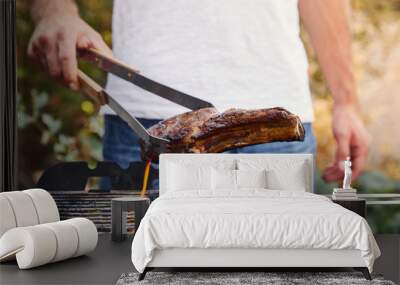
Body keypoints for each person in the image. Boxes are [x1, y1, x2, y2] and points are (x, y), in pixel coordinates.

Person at [28, 0, 370, 193]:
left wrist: (347, 100)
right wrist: (54, 12)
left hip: (276, 127)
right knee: (133, 268)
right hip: (147, 127)